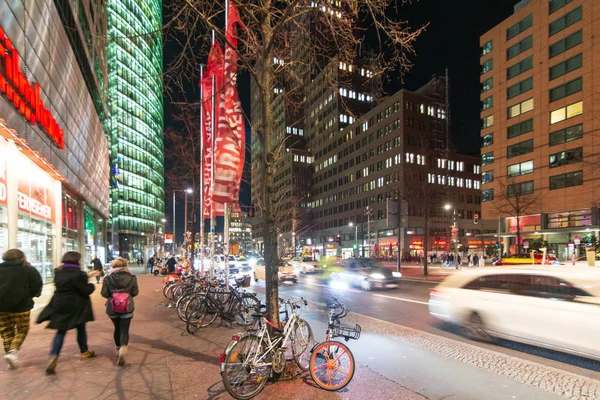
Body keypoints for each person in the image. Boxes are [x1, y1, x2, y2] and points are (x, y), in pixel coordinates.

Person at [37, 252, 98, 375]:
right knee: (81, 328)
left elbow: (69, 281)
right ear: (77, 261)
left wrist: (86, 276)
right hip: (77, 305)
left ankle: (53, 355)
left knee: (61, 331)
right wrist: (91, 285)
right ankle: (84, 352)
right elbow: (85, 289)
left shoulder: (58, 272)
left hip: (60, 304)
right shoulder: (78, 274)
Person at [0, 249, 43, 370]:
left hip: (1, 307)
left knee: (6, 331)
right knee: (22, 329)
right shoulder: (27, 269)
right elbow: (37, 284)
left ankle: (10, 358)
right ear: (21, 257)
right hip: (21, 305)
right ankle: (12, 352)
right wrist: (30, 295)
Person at [101, 257, 138, 366]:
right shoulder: (132, 277)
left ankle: (118, 348)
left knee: (116, 328)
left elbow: (104, 293)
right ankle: (123, 348)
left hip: (112, 307)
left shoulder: (107, 277)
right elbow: (135, 292)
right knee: (124, 329)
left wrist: (113, 296)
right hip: (127, 306)